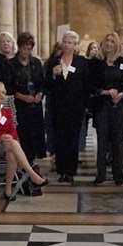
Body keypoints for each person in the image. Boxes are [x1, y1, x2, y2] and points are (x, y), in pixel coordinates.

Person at [0, 81, 49, 200]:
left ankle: (8, 190)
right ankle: (32, 175)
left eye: (3, 92)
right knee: (13, 144)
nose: (1, 95)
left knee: (11, 152)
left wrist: (8, 137)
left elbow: (13, 131)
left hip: (6, 146)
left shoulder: (6, 112)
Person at [89, 32, 123, 185]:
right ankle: (101, 174)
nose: (109, 43)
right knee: (102, 142)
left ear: (117, 44)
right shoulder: (96, 63)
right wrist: (105, 92)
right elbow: (91, 86)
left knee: (117, 142)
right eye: (106, 40)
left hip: (119, 106)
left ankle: (118, 175)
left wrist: (122, 94)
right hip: (102, 107)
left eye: (112, 41)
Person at [46, 29, 90, 182]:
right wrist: (52, 75)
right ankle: (61, 169)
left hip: (75, 107)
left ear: (75, 45)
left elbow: (86, 85)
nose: (67, 45)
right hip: (58, 107)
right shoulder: (54, 61)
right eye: (64, 42)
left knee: (72, 138)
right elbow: (47, 84)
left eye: (70, 42)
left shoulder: (81, 62)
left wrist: (84, 105)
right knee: (60, 138)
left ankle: (70, 170)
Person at [5, 32, 48, 177]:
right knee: (24, 135)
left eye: (29, 48)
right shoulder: (11, 64)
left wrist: (40, 94)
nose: (26, 51)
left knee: (36, 135)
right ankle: (26, 165)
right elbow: (8, 87)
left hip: (35, 107)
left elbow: (43, 83)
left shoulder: (36, 62)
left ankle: (32, 163)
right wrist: (23, 97)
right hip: (20, 106)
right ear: (19, 47)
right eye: (24, 48)